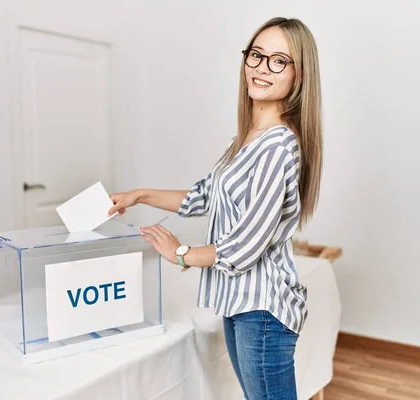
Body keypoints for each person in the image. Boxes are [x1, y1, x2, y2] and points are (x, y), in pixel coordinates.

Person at [108, 17, 323, 400]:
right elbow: (202, 197)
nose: (261, 67)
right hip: (239, 304)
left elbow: (244, 248)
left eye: (278, 61)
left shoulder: (277, 148)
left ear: (299, 75)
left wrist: (179, 253)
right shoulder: (247, 140)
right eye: (256, 55)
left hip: (264, 311)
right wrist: (138, 195)